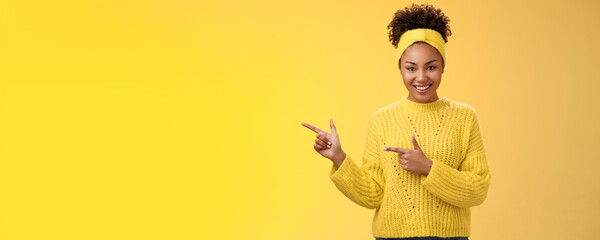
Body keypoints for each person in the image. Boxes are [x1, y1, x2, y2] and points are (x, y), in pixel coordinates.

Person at [301, 3, 491, 240]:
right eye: (411, 68)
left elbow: (478, 189)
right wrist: (339, 157)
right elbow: (373, 195)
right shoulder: (382, 120)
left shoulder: (465, 118)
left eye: (430, 67)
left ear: (443, 66)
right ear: (400, 69)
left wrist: (428, 168)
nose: (421, 77)